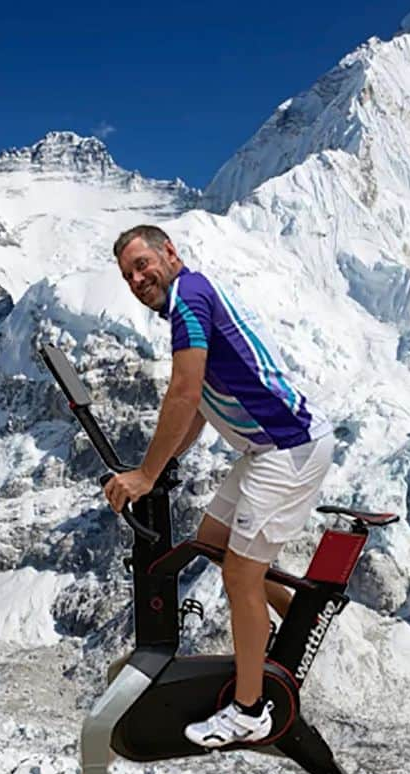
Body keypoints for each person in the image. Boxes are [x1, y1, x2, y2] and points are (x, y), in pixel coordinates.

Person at [104, 224, 334, 747]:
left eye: (143, 265)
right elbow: (202, 411)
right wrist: (157, 468)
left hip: (287, 447)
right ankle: (288, 622)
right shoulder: (191, 301)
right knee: (209, 540)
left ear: (169, 252)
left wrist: (145, 473)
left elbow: (183, 393)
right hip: (265, 450)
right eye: (128, 276)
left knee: (239, 575)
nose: (138, 279)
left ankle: (249, 710)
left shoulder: (189, 301)